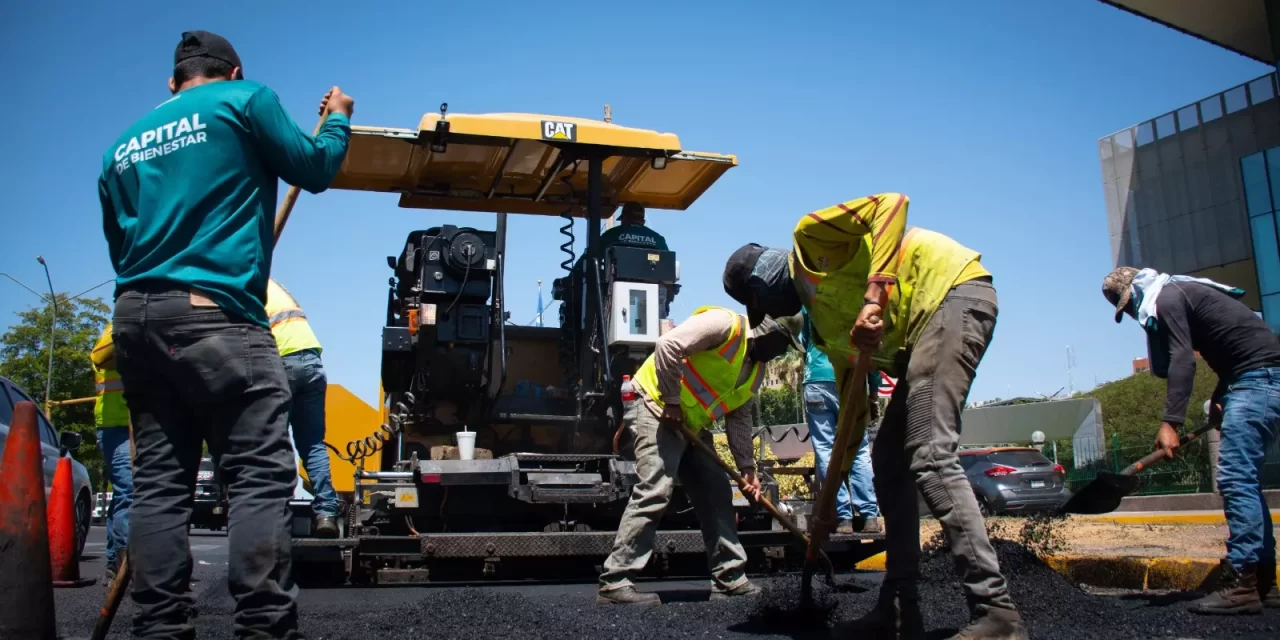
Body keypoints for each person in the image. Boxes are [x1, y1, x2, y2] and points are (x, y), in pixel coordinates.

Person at [98, 30, 353, 638]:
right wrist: (337, 122)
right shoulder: (244, 101)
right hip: (217, 314)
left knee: (160, 485)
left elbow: (121, 247)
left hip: (136, 317)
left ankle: (160, 629)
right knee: (258, 478)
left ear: (172, 82)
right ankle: (264, 628)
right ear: (233, 71)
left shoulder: (120, 148)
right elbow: (314, 167)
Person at [724, 193, 1027, 640]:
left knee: (928, 452)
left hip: (949, 292)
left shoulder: (810, 236)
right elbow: (851, 411)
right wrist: (829, 501)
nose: (769, 313)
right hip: (922, 332)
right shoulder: (824, 329)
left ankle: (996, 611)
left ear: (762, 282)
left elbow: (892, 204)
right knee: (887, 459)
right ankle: (899, 608)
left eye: (759, 302)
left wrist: (874, 295)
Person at [1102, 266, 1280, 614]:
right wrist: (1220, 394)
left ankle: (1240, 583)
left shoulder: (1167, 298)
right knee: (1246, 481)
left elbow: (1183, 359)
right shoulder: (1182, 292)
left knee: (1234, 479)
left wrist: (1171, 422)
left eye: (1128, 306)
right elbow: (1236, 350)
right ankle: (1263, 584)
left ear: (1136, 290)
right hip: (1258, 379)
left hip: (1257, 381)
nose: (1136, 317)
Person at [597, 306, 801, 606]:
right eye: (783, 343)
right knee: (655, 489)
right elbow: (668, 345)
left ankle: (729, 578)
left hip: (690, 424)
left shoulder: (755, 369)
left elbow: (739, 415)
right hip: (656, 406)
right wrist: (672, 401)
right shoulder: (724, 325)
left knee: (716, 491)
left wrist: (747, 467)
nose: (782, 352)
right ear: (767, 330)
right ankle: (615, 582)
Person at [266, 279, 340, 538]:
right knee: (312, 443)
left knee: (274, 441)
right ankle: (326, 513)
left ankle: (276, 513)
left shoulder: (244, 283)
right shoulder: (278, 288)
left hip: (280, 361)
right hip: (311, 363)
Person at [800, 308, 880, 534]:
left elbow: (806, 338)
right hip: (851, 375)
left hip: (817, 378)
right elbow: (873, 350)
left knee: (826, 450)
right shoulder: (860, 299)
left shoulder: (811, 298)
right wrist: (873, 392)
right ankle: (869, 515)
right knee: (859, 447)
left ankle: (843, 517)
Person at [90, 322, 133, 583]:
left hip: (140, 423)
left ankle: (112, 562)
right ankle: (128, 566)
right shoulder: (116, 326)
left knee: (123, 495)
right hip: (116, 426)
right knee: (130, 492)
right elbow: (100, 356)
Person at [599, 202, 668, 252]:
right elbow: (668, 263)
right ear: (642, 221)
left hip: (619, 272)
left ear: (624, 219)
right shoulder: (658, 239)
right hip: (646, 272)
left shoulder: (611, 234)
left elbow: (594, 255)